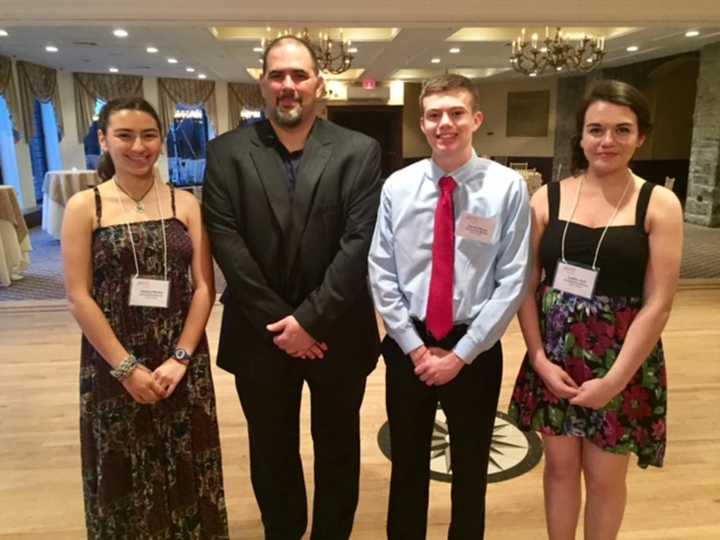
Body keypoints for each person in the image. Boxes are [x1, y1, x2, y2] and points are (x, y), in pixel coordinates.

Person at [202, 35, 382, 540]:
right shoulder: (226, 153)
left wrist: (310, 321)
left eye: (299, 75)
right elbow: (227, 245)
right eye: (278, 75)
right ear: (262, 82)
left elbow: (358, 244)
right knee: (271, 450)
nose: (288, 86)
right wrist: (287, 326)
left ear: (318, 85)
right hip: (259, 336)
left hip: (338, 333)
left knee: (338, 450)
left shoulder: (359, 151)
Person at [508, 79, 683, 540]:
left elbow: (659, 301)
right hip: (555, 357)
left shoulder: (658, 203)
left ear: (641, 136)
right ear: (581, 136)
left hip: (622, 362)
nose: (607, 141)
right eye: (596, 129)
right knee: (559, 472)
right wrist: (540, 360)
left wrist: (615, 380)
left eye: (622, 130)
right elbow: (526, 287)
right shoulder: (548, 197)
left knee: (606, 480)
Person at [368, 73, 532, 539]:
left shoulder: (507, 188)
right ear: (422, 123)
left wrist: (462, 353)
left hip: (474, 346)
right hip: (408, 342)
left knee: (471, 465)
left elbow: (513, 278)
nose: (446, 123)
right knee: (408, 464)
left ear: (475, 119)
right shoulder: (397, 187)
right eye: (435, 114)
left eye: (456, 113)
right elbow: (381, 270)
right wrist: (416, 349)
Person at [62, 97, 229, 538]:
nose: (139, 146)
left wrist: (180, 357)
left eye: (149, 135)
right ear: (103, 139)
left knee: (187, 461)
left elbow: (205, 288)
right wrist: (127, 369)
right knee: (123, 467)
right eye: (125, 135)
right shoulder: (85, 206)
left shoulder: (185, 203)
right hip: (112, 361)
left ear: (162, 140)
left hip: (181, 360)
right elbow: (79, 297)